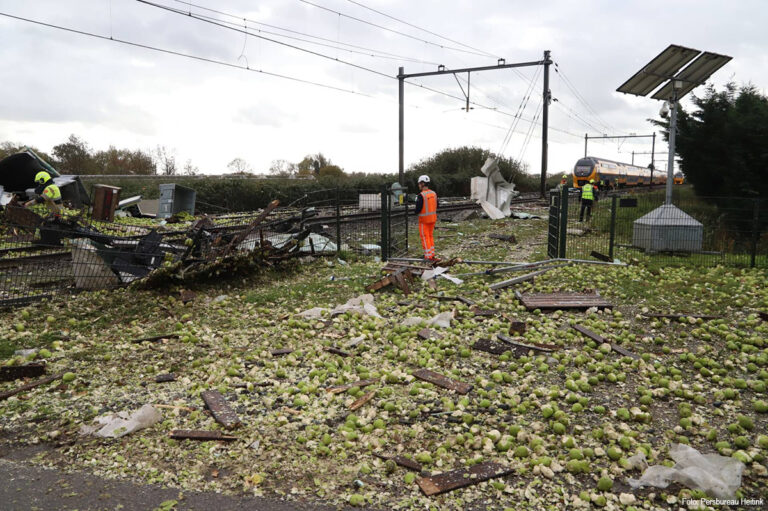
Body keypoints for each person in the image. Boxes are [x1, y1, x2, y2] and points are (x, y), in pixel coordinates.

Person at [415, 175, 437, 261]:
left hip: (424, 221)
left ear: (423, 184)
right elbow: (437, 205)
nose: (419, 185)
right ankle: (432, 254)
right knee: (430, 236)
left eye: (419, 184)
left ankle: (427, 257)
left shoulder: (421, 195)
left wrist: (415, 211)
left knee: (425, 237)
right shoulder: (433, 193)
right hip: (432, 219)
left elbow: (417, 209)